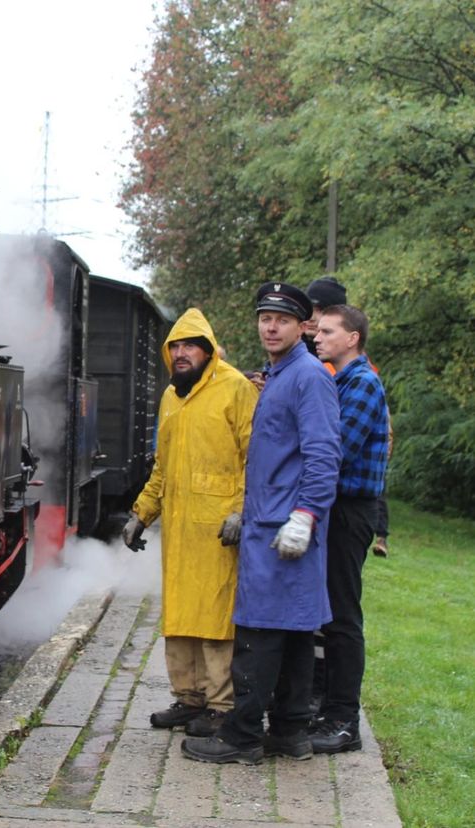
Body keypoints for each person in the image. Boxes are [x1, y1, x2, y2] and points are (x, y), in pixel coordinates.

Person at [182, 282, 341, 765]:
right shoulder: (282, 374)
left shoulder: (307, 377)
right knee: (293, 635)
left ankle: (242, 736)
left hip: (282, 526)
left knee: (257, 636)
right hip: (274, 525)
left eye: (283, 320)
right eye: (264, 318)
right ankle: (290, 733)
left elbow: (323, 453)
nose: (270, 327)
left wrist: (305, 514)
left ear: (302, 326)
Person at [123, 309, 259, 737]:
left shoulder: (236, 389)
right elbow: (163, 466)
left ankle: (221, 705)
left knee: (216, 618)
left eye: (190, 346)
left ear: (207, 350)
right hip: (180, 530)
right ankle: (189, 699)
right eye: (175, 347)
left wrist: (242, 511)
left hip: (219, 530)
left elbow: (253, 459)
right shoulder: (170, 397)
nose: (181, 354)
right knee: (181, 616)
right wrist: (140, 514)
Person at [311, 305, 389, 753]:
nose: (317, 337)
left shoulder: (361, 384)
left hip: (350, 511)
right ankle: (323, 708)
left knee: (342, 617)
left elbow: (335, 448)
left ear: (352, 338)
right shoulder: (339, 381)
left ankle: (344, 721)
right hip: (334, 508)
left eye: (327, 331)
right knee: (326, 615)